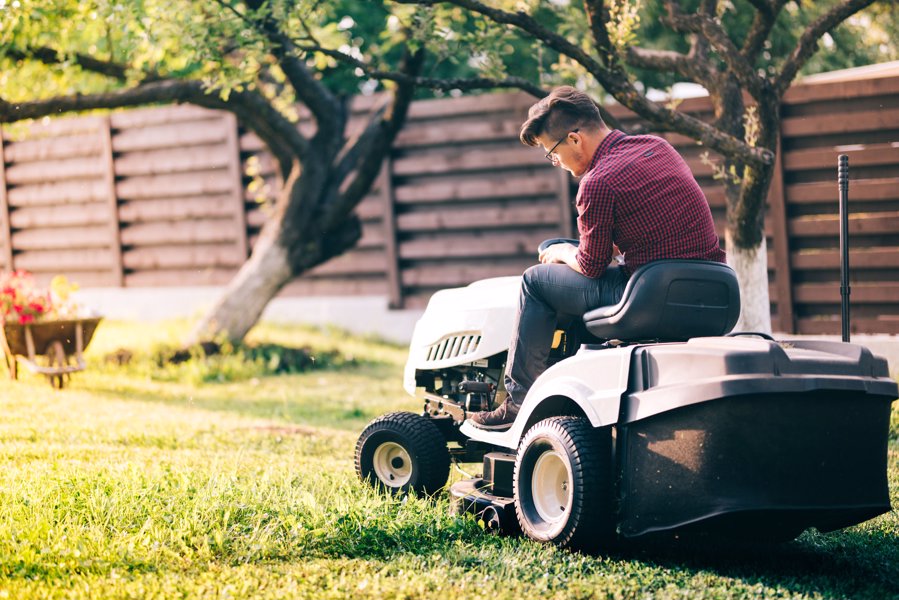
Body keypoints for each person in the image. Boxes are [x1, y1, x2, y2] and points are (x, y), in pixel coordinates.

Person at [468, 86, 727, 431]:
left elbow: (590, 265)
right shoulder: (657, 148)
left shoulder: (598, 182)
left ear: (574, 139)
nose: (556, 162)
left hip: (650, 296)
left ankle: (519, 402)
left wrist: (560, 252)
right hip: (714, 291)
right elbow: (656, 228)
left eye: (552, 153)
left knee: (534, 281)